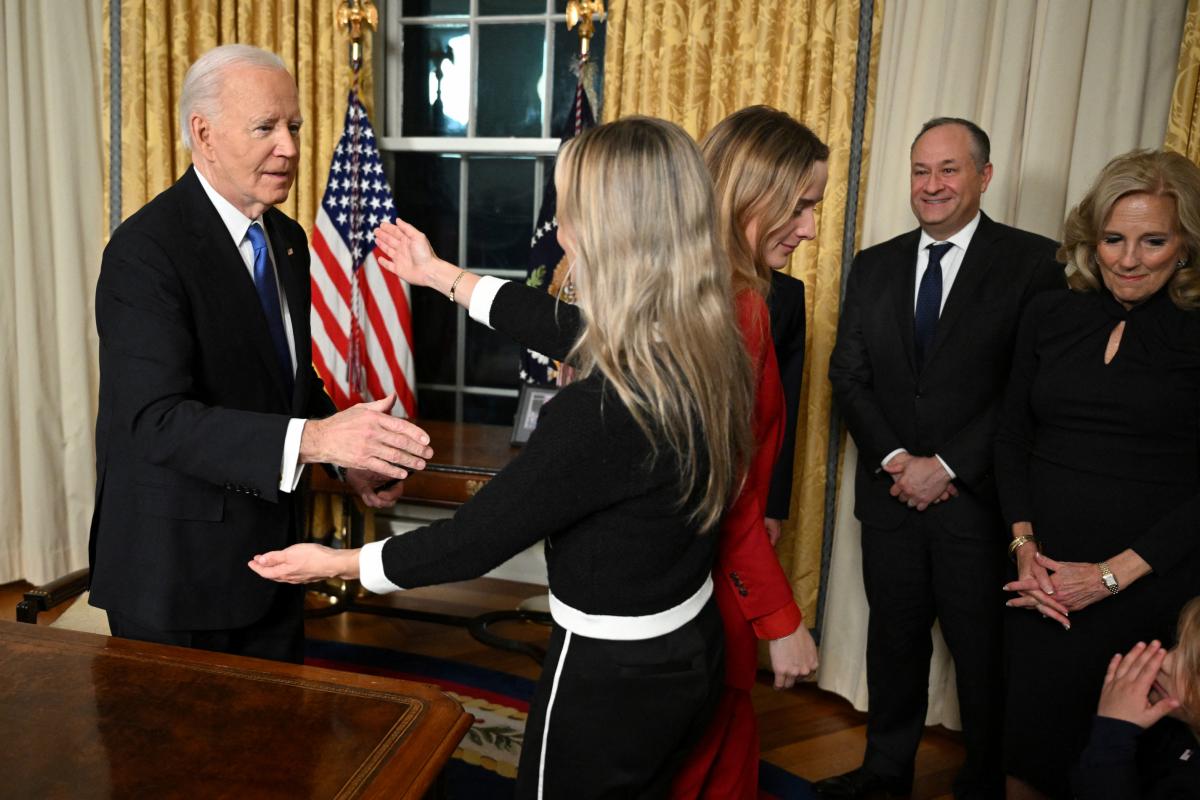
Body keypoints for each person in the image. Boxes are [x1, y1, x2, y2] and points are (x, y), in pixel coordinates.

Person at [249, 116, 757, 798]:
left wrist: (338, 562)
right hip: (687, 647)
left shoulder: (597, 413)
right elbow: (570, 328)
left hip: (608, 678)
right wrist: (441, 277)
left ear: (607, 233)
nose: (560, 229)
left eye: (566, 211)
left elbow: (471, 542)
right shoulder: (705, 343)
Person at [89, 44, 433, 664]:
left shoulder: (287, 238)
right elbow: (154, 422)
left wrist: (347, 460)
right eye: (266, 128)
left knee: (279, 758)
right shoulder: (145, 252)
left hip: (274, 560)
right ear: (204, 134)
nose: (291, 148)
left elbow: (286, 384)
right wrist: (320, 442)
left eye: (294, 126)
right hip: (176, 574)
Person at [824, 117, 1063, 800]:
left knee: (983, 655)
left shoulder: (1034, 265)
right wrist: (899, 459)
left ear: (983, 178)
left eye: (949, 170)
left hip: (977, 503)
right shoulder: (873, 264)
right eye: (922, 170)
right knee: (892, 646)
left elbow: (1026, 390)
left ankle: (985, 781)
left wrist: (947, 466)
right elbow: (849, 377)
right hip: (891, 497)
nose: (932, 185)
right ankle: (884, 774)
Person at [996, 148, 1200, 799]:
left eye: (1153, 240)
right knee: (1026, 751)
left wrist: (1111, 577)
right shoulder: (1051, 312)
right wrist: (1025, 548)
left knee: (1119, 764)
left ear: (1188, 243)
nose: (1129, 259)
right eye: (1114, 238)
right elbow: (1011, 436)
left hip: (1150, 586)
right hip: (1044, 584)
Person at [666, 105, 827, 800]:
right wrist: (783, 621)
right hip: (696, 579)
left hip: (705, 575)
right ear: (749, 194)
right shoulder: (734, 312)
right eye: (801, 206)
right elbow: (722, 492)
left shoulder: (722, 296)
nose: (813, 228)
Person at [1072, 599, 1200, 800]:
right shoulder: (1173, 734)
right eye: (1177, 644)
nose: (1164, 660)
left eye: (1194, 668)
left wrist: (1113, 733)